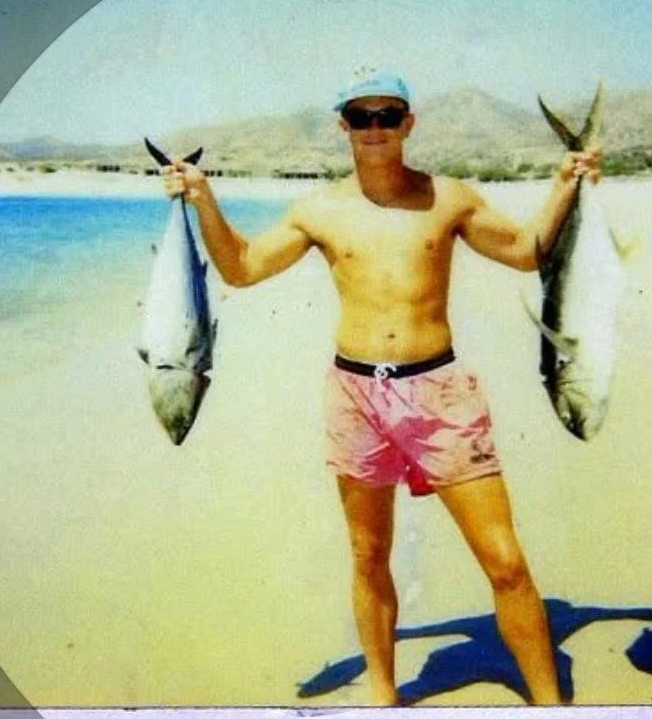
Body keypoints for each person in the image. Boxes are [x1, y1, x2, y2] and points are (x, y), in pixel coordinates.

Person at [162, 69, 601, 706]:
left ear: (408, 124)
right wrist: (202, 199)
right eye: (361, 116)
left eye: (387, 116)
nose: (375, 128)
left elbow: (529, 251)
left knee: (505, 562)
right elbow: (243, 267)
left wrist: (566, 183)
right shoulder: (320, 210)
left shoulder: (448, 198)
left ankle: (549, 702)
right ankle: (384, 697)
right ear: (343, 124)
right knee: (369, 558)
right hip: (356, 397)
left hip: (440, 392)